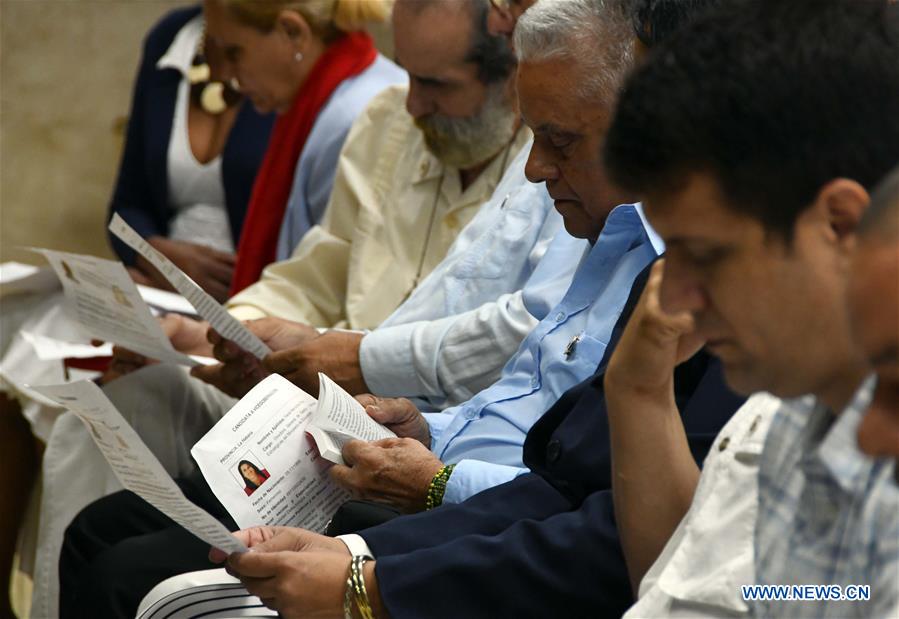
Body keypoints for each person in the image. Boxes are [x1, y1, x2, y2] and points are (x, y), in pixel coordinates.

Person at [61, 2, 743, 618]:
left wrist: (372, 575)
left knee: (139, 580)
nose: (536, 168)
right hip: (445, 468)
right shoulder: (635, 233)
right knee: (104, 522)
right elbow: (564, 479)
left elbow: (636, 547)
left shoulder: (687, 259)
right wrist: (420, 433)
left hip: (481, 507)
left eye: (560, 143)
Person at [25, 0, 405, 615]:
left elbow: (385, 319)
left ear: (293, 33)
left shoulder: (364, 108)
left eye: (232, 53)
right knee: (96, 405)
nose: (224, 75)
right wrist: (206, 332)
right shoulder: (349, 106)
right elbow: (315, 267)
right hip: (287, 364)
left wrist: (212, 334)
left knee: (121, 549)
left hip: (344, 401)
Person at [596, 1, 899, 616]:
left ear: (839, 225)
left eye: (704, 255)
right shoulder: (789, 416)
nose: (672, 299)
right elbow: (785, 596)